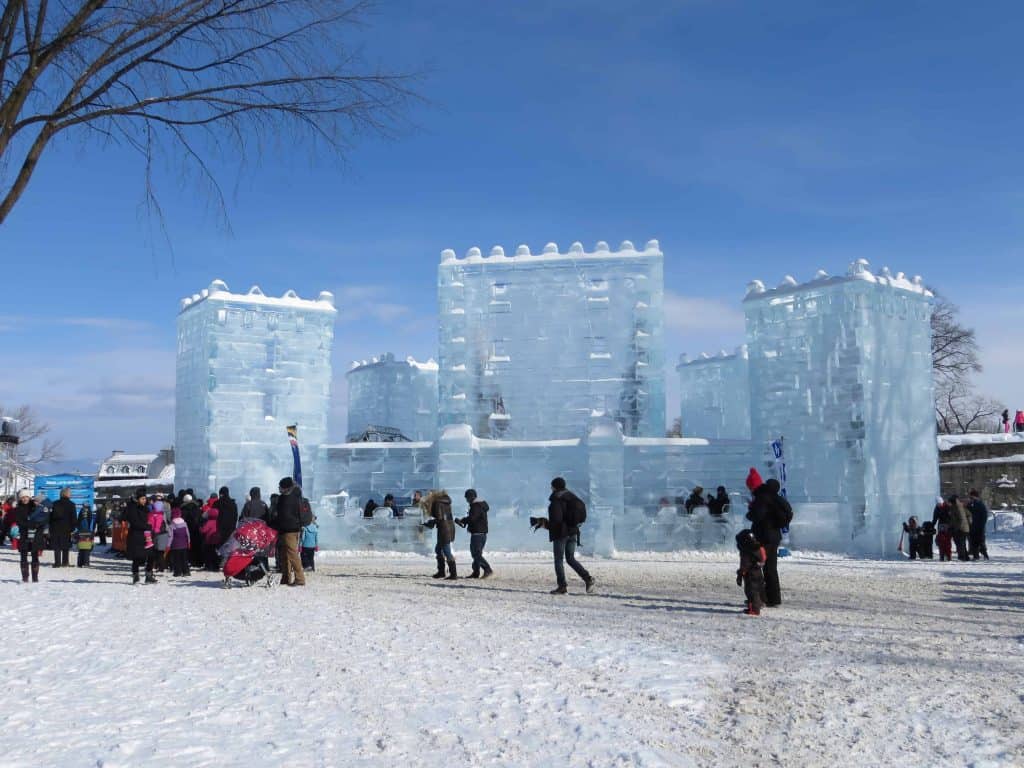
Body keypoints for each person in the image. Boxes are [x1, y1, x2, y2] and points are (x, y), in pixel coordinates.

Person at [745, 468, 790, 607]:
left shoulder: (761, 497)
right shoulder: (771, 496)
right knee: (770, 568)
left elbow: (757, 516)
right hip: (774, 535)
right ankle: (774, 598)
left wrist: (750, 511)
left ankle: (761, 598)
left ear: (753, 486)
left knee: (756, 567)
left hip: (764, 537)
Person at [545, 477, 594, 595]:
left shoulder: (557, 499)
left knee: (558, 560)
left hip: (561, 534)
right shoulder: (571, 496)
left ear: (555, 487)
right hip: (573, 532)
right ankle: (588, 578)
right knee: (570, 559)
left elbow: (557, 520)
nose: (550, 488)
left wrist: (545, 524)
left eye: (551, 486)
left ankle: (562, 586)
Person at [272, 477, 306, 586]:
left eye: (280, 486)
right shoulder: (296, 497)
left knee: (292, 554)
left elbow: (284, 515)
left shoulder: (286, 499)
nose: (279, 488)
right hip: (292, 529)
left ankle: (300, 578)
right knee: (285, 555)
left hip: (288, 530)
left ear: (285, 488)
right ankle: (285, 578)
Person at [457, 488, 492, 579]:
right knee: (476, 554)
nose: (466, 500)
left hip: (478, 534)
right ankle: (476, 572)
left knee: (476, 554)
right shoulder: (480, 505)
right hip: (481, 533)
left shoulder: (476, 506)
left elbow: (473, 518)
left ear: (471, 497)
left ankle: (487, 569)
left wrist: (463, 520)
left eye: (467, 498)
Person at [124, 489, 157, 584]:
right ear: (138, 499)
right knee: (137, 557)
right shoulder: (132, 508)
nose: (144, 500)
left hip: (146, 536)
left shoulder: (146, 508)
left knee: (151, 555)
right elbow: (135, 522)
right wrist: (148, 526)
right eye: (142, 499)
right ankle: (136, 576)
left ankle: (149, 575)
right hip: (136, 536)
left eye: (145, 499)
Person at [423, 490, 456, 579]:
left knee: (446, 551)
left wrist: (431, 522)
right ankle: (441, 572)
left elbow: (440, 518)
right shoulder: (445, 502)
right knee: (439, 549)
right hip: (449, 527)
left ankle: (453, 574)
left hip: (444, 529)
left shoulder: (437, 503)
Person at [15, 490, 46, 582]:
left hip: (35, 535)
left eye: (26, 497)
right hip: (24, 535)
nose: (24, 499)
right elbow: (19, 521)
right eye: (22, 497)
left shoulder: (36, 507)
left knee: (35, 555)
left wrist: (37, 525)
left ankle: (35, 577)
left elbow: (43, 519)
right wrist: (29, 525)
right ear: (20, 499)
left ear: (29, 497)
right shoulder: (18, 509)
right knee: (23, 556)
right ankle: (25, 577)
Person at [735, 528, 766, 616]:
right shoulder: (758, 548)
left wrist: (740, 574)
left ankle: (754, 610)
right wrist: (759, 564)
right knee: (758, 589)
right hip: (758, 572)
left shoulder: (746, 552)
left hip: (750, 574)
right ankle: (759, 603)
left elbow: (744, 565)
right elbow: (763, 558)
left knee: (751, 592)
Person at [49, 487, 78, 568]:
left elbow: (50, 517)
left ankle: (57, 563)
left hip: (55, 527)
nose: (71, 494)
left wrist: (50, 526)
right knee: (66, 546)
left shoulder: (54, 503)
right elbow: (74, 518)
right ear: (67, 494)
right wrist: (73, 527)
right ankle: (65, 562)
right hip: (66, 528)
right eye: (70, 493)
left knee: (57, 546)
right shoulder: (71, 504)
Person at [966, 489, 990, 561]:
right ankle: (976, 556)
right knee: (974, 542)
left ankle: (984, 555)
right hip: (974, 526)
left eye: (971, 497)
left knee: (980, 541)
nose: (970, 498)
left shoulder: (980, 504)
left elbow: (984, 516)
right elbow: (971, 511)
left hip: (979, 527)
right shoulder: (973, 504)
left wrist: (982, 526)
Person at [167, 507, 191, 577]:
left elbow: (170, 536)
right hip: (184, 545)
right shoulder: (184, 523)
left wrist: (168, 545)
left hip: (175, 545)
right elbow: (187, 534)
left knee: (176, 560)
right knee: (184, 559)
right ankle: (186, 572)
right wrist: (189, 542)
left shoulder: (172, 525)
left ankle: (177, 572)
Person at [948, 495, 971, 561]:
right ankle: (965, 557)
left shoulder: (958, 507)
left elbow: (961, 519)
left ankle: (962, 557)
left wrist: (957, 528)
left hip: (961, 529)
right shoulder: (957, 506)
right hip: (962, 528)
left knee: (960, 543)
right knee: (961, 543)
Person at [200, 505, 221, 571]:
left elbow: (204, 530)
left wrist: (200, 528)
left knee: (208, 554)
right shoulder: (218, 522)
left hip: (209, 540)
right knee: (215, 554)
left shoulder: (209, 522)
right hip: (217, 540)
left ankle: (208, 566)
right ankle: (216, 566)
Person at [932, 496, 953, 561]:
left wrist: (951, 526)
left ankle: (948, 556)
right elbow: (935, 518)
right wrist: (932, 525)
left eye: (940, 504)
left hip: (948, 525)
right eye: (938, 504)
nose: (939, 505)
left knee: (947, 542)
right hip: (941, 525)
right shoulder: (937, 508)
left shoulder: (948, 506)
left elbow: (951, 517)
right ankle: (942, 556)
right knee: (941, 541)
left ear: (942, 502)